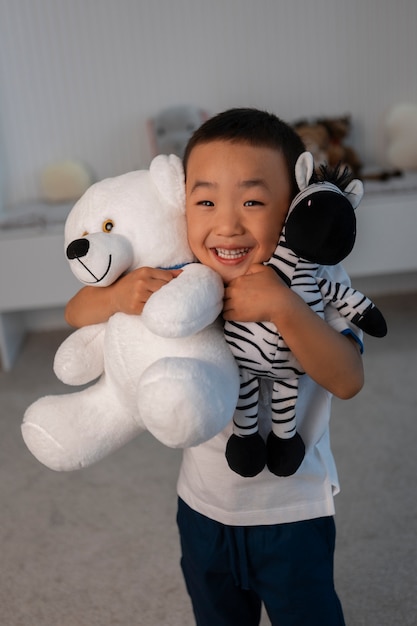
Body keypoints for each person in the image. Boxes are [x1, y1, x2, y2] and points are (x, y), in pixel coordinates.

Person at [65, 108, 364, 626]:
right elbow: (75, 312)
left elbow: (347, 378)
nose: (227, 224)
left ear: (292, 204)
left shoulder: (315, 277)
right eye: (205, 201)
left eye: (252, 200)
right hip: (203, 507)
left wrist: (282, 306)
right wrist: (116, 296)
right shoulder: (182, 268)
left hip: (292, 510)